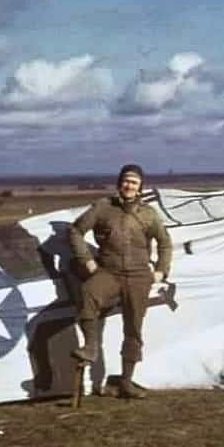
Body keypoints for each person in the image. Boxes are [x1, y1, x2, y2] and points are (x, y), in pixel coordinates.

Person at [69, 164, 172, 399]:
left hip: (138, 277)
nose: (129, 185)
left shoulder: (149, 213)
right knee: (88, 293)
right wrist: (87, 260)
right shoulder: (102, 208)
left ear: (140, 188)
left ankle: (126, 382)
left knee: (133, 329)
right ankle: (90, 347)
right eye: (126, 180)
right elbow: (75, 231)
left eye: (134, 182)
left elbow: (165, 243)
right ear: (119, 183)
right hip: (110, 272)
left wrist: (161, 270)